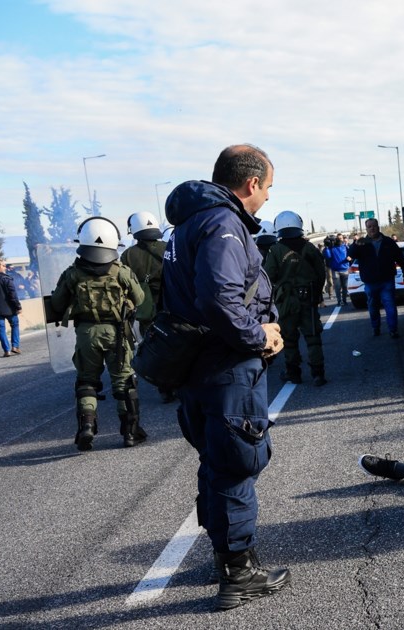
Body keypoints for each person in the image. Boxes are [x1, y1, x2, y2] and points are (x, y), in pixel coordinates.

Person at [163, 144, 290, 611]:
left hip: (198, 367)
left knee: (216, 462)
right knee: (236, 462)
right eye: (269, 187)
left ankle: (225, 557)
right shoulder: (223, 224)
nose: (268, 197)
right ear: (251, 182)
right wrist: (260, 336)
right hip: (225, 369)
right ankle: (238, 573)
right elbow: (220, 298)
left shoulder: (189, 223)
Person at [49, 217, 147, 450]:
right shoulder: (122, 272)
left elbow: (56, 304)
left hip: (86, 333)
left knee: (86, 381)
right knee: (124, 382)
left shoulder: (72, 273)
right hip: (116, 333)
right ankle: (130, 432)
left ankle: (87, 427)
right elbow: (140, 298)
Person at [264, 210, 328, 386]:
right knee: (313, 338)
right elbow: (321, 273)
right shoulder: (309, 248)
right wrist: (316, 295)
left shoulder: (275, 250)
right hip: (308, 298)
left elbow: (268, 276)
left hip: (286, 302)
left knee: (289, 339)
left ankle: (293, 373)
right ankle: (318, 374)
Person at [120, 211, 175, 403]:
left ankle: (164, 388)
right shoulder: (168, 248)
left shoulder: (128, 255)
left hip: (147, 311)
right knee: (178, 344)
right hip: (171, 306)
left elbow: (124, 285)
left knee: (155, 348)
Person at [348, 218, 404, 337]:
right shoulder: (362, 243)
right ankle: (375, 327)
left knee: (390, 305)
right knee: (373, 306)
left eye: (374, 226)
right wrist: (355, 245)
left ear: (378, 227)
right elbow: (351, 254)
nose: (372, 228)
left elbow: (399, 257)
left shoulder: (388, 242)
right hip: (370, 282)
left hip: (387, 280)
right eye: (369, 227)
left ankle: (393, 330)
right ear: (366, 229)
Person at [0, 259, 22, 357]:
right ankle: (15, 346)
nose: (5, 268)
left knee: (1, 329)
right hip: (9, 308)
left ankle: (6, 350)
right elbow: (12, 294)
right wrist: (18, 306)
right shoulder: (6, 278)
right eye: (3, 266)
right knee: (15, 325)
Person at [322, 233, 351, 305]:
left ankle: (344, 300)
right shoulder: (331, 248)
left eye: (339, 239)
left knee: (345, 287)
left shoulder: (345, 246)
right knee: (337, 287)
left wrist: (350, 258)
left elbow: (350, 254)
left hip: (345, 269)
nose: (338, 240)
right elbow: (328, 256)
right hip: (335, 271)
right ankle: (339, 301)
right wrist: (326, 247)